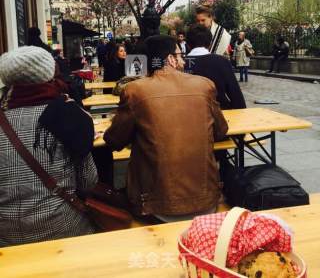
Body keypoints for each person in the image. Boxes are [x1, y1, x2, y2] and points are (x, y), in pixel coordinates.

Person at [103, 35, 228, 222]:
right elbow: (221, 131)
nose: (183, 60)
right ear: (170, 58)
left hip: (153, 206)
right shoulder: (204, 85)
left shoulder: (135, 90)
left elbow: (114, 141)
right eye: (180, 55)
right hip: (207, 200)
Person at [0, 46, 98, 247]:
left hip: (6, 235)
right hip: (64, 227)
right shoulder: (69, 114)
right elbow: (89, 181)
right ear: (48, 72)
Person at [185, 25, 246, 110]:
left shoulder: (181, 64)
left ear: (187, 43)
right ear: (210, 43)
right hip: (220, 114)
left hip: (190, 115)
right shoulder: (222, 61)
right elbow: (236, 97)